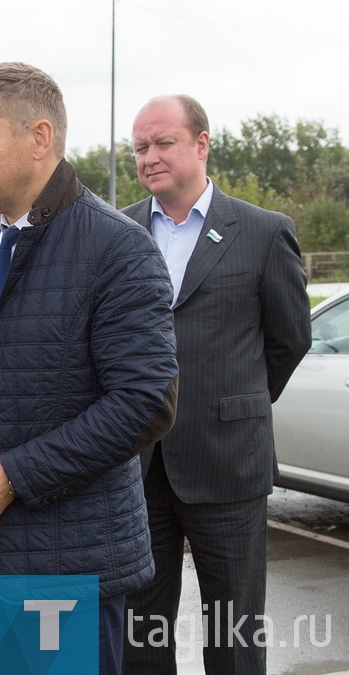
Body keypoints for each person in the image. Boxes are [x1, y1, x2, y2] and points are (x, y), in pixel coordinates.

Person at [0, 62, 179, 675]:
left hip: (62, 559)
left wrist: (14, 477)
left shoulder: (117, 247)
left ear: (39, 138)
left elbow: (144, 402)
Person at [122, 95, 312, 674]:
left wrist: (235, 404)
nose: (150, 157)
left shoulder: (261, 232)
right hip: (138, 465)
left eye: (164, 143)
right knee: (142, 634)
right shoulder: (118, 232)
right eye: (139, 148)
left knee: (234, 634)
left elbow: (289, 340)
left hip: (229, 464)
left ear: (201, 144)